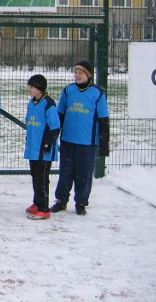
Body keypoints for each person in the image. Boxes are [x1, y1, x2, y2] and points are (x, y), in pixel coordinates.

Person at [50, 60, 110, 216]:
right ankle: (61, 201)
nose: (77, 75)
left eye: (81, 72)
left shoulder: (98, 94)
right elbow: (60, 115)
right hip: (68, 140)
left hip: (87, 143)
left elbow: (103, 120)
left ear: (88, 75)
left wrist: (103, 144)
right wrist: (54, 135)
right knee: (65, 173)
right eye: (75, 72)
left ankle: (81, 202)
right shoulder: (68, 91)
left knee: (83, 174)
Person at [24, 74, 61, 220]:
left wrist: (48, 144)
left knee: (42, 178)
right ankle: (37, 203)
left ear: (39, 88)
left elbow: (55, 127)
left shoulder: (48, 104)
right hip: (33, 147)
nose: (29, 90)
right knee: (35, 176)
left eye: (31, 87)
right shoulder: (32, 102)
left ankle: (44, 208)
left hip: (44, 150)